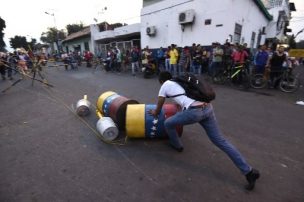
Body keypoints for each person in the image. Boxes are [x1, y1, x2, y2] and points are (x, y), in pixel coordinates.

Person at [149, 71, 260, 191]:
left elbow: (160, 103)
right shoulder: (180, 80)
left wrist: (155, 113)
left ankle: (177, 145)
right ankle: (249, 172)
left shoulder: (165, 85)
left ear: (161, 81)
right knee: (220, 141)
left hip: (194, 112)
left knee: (168, 123)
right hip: (207, 108)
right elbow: (186, 95)